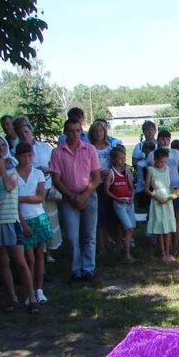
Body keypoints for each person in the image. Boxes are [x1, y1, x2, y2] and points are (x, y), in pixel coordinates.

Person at [0, 150, 38, 313]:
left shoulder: (12, 175)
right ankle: (12, 297)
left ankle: (32, 297)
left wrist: (1, 168)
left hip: (11, 223)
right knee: (3, 262)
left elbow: (8, 187)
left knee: (20, 262)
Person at [50, 118, 101, 282]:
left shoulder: (90, 149)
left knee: (89, 235)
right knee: (72, 237)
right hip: (69, 197)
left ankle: (88, 269)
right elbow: (56, 180)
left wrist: (85, 196)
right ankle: (75, 269)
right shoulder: (58, 152)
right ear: (65, 132)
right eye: (71, 131)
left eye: (78, 131)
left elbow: (96, 176)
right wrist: (73, 197)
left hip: (89, 195)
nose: (75, 134)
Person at [15, 142, 53, 305]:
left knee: (39, 256)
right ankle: (29, 291)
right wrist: (23, 223)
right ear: (17, 156)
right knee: (28, 259)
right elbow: (13, 204)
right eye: (23, 155)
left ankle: (39, 289)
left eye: (29, 155)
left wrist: (20, 198)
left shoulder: (38, 173)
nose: (26, 158)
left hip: (39, 217)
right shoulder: (12, 175)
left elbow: (39, 197)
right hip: (23, 219)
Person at [18, 123, 62, 257]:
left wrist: (46, 169)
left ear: (31, 131)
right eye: (21, 133)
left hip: (46, 186)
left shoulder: (43, 147)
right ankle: (39, 252)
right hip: (27, 190)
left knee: (48, 220)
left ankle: (48, 251)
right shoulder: (18, 149)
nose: (24, 135)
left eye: (26, 131)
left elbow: (53, 165)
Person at [146, 129, 179, 251]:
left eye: (168, 139)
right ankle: (162, 248)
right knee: (161, 222)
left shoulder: (176, 154)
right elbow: (149, 184)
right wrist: (157, 196)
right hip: (159, 194)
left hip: (172, 191)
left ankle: (174, 244)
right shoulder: (152, 156)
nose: (165, 141)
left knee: (175, 217)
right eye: (162, 138)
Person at [89, 119, 118, 254]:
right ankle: (102, 246)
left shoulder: (111, 146)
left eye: (101, 130)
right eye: (95, 131)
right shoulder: (89, 148)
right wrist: (99, 172)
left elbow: (118, 163)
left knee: (113, 213)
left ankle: (115, 241)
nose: (98, 133)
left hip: (111, 183)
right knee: (100, 215)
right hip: (97, 184)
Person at [105, 146, 136, 261]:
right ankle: (126, 253)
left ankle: (124, 247)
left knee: (132, 227)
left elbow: (131, 187)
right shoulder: (111, 173)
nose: (123, 161)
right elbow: (107, 190)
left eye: (124, 158)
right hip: (119, 204)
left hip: (129, 202)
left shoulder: (126, 172)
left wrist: (132, 197)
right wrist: (117, 199)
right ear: (114, 160)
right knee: (128, 228)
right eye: (120, 159)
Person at [146, 148, 177, 261]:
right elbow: (147, 189)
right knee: (160, 227)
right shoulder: (151, 170)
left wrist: (172, 191)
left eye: (165, 161)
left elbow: (168, 185)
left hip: (167, 199)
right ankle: (163, 253)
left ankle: (168, 252)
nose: (163, 164)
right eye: (161, 162)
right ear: (155, 159)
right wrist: (157, 197)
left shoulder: (167, 169)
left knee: (167, 226)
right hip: (157, 200)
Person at [131, 120, 157, 207]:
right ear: (143, 132)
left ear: (155, 131)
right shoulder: (138, 146)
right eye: (146, 130)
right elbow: (134, 162)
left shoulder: (159, 145)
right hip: (143, 176)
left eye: (151, 129)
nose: (149, 132)